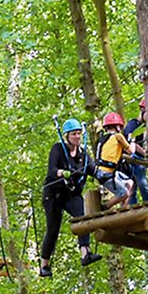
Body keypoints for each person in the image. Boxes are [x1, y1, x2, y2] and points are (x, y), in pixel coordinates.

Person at [38, 119, 102, 279]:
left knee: (83, 215)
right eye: (73, 134)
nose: (77, 137)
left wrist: (106, 173)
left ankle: (85, 253)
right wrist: (61, 172)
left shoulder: (83, 155)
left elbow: (93, 170)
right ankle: (44, 264)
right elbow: (52, 170)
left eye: (79, 133)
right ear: (67, 136)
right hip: (53, 195)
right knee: (53, 229)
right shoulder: (58, 149)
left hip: (70, 194)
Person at [92, 111, 136, 205]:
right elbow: (131, 151)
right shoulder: (118, 136)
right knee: (124, 194)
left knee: (130, 183)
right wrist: (133, 140)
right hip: (107, 173)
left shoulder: (102, 140)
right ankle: (105, 207)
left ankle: (123, 212)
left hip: (103, 172)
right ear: (118, 127)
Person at [123, 101, 148, 204]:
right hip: (130, 158)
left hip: (138, 159)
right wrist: (145, 153)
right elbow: (132, 143)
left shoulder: (146, 128)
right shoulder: (133, 124)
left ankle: (147, 203)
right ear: (143, 111)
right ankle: (142, 205)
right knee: (136, 185)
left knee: (140, 184)